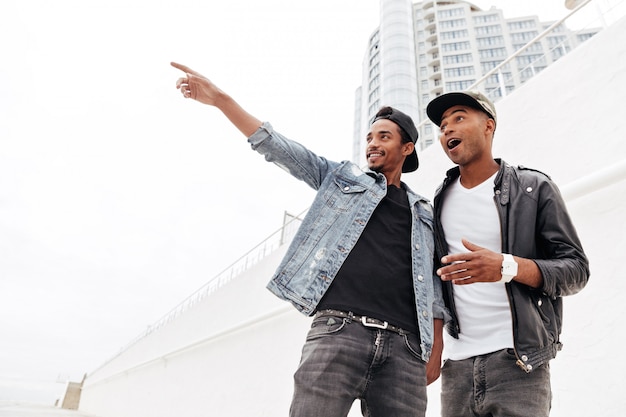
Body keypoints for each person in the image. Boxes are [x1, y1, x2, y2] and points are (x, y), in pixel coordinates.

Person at [171, 62, 445, 417]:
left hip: (405, 350)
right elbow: (280, 148)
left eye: (384, 137)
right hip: (339, 333)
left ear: (407, 148)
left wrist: (434, 349)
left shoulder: (425, 213)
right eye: (369, 138)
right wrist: (222, 100)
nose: (373, 145)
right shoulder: (342, 179)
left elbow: (437, 289)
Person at [425, 91, 590, 417]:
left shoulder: (533, 187)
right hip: (456, 370)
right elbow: (435, 283)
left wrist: (507, 266)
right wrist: (436, 348)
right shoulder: (439, 200)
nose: (447, 130)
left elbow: (576, 270)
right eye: (443, 126)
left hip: (518, 363)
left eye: (459, 117)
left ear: (489, 125)